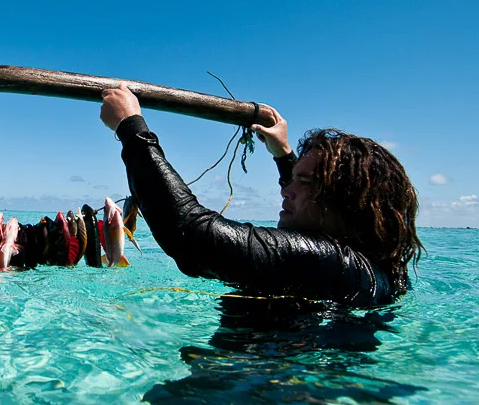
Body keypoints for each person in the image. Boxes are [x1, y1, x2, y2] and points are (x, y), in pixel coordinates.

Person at [100, 83, 423, 306]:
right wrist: (283, 153)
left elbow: (192, 235)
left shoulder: (331, 263)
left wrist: (131, 127)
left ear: (348, 202)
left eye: (306, 182)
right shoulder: (378, 268)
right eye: (292, 179)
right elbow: (309, 209)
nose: (286, 190)